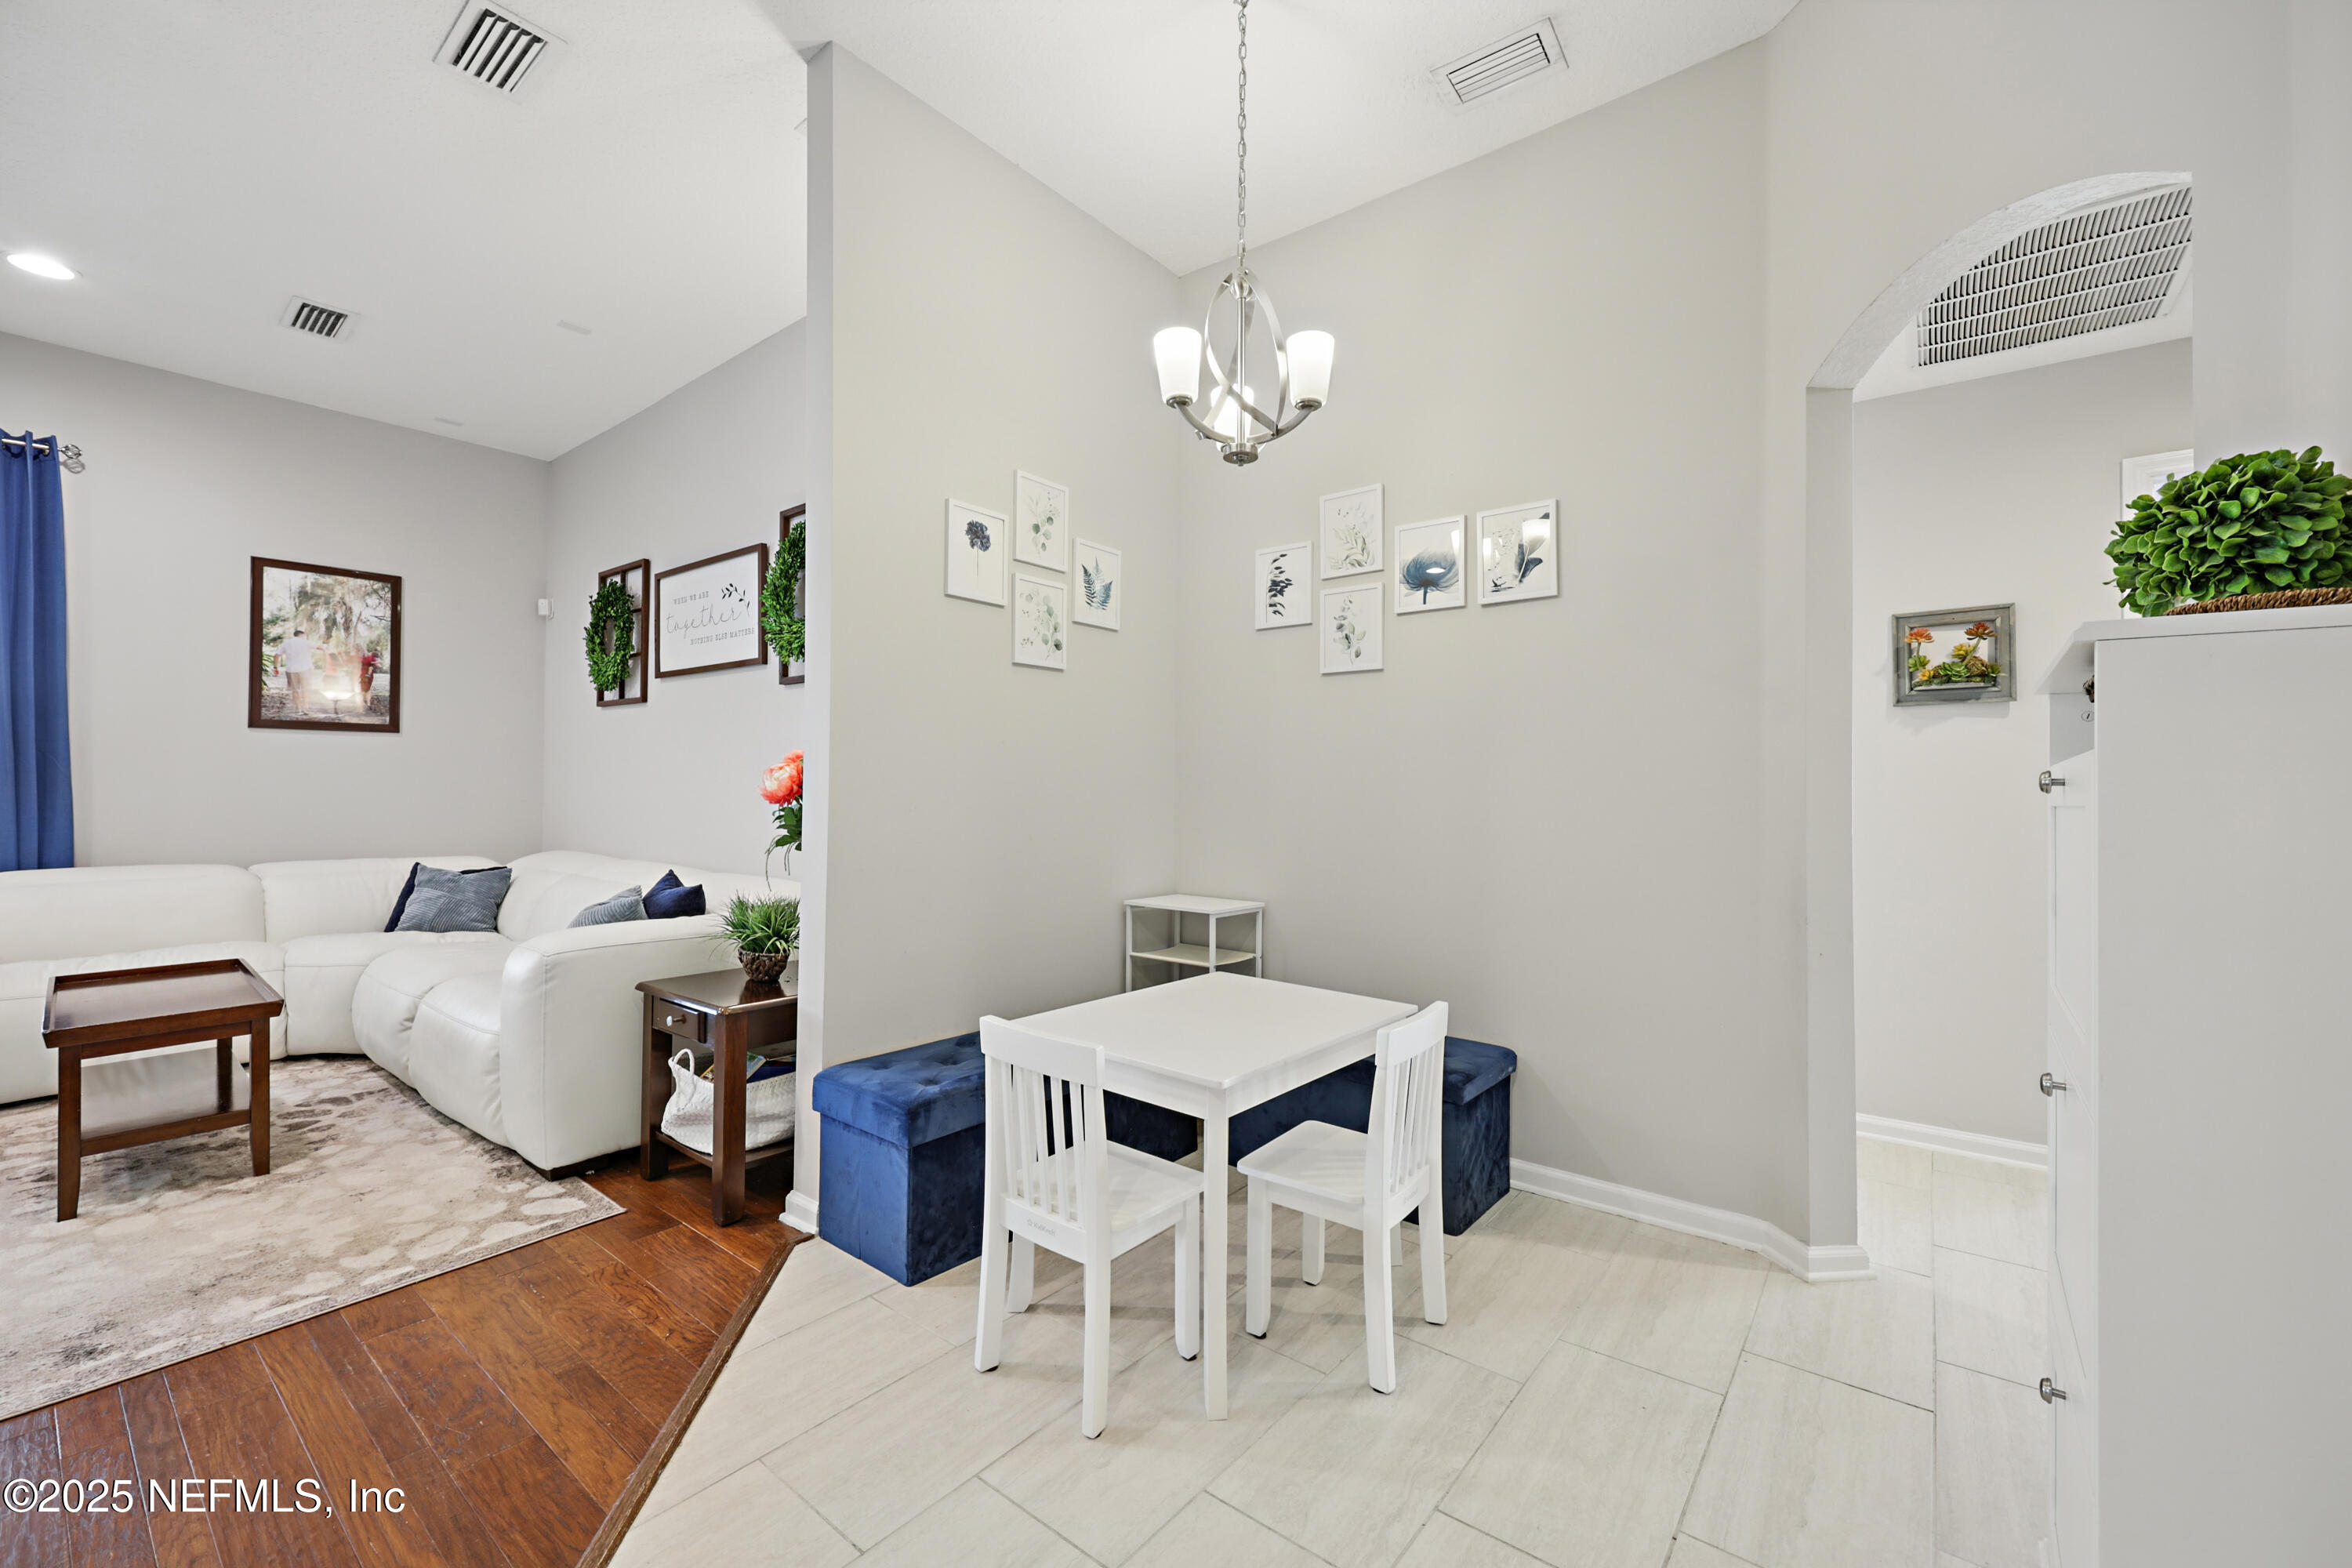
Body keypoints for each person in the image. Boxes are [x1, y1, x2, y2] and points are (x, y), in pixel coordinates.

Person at [279, 628, 316, 716]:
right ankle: (306, 708)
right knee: (306, 689)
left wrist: (275, 667)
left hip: (291, 670)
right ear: (302, 635)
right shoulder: (306, 642)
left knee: (295, 690)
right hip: (305, 670)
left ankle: (298, 709)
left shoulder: (286, 643)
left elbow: (277, 655)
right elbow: (320, 647)